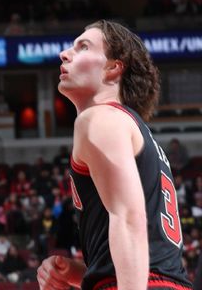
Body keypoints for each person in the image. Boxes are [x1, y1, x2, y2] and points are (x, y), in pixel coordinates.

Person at [37, 20, 191, 290]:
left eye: (83, 47)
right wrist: (79, 273)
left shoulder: (100, 117)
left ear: (112, 67)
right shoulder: (133, 131)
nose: (65, 54)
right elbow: (152, 251)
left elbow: (129, 219)